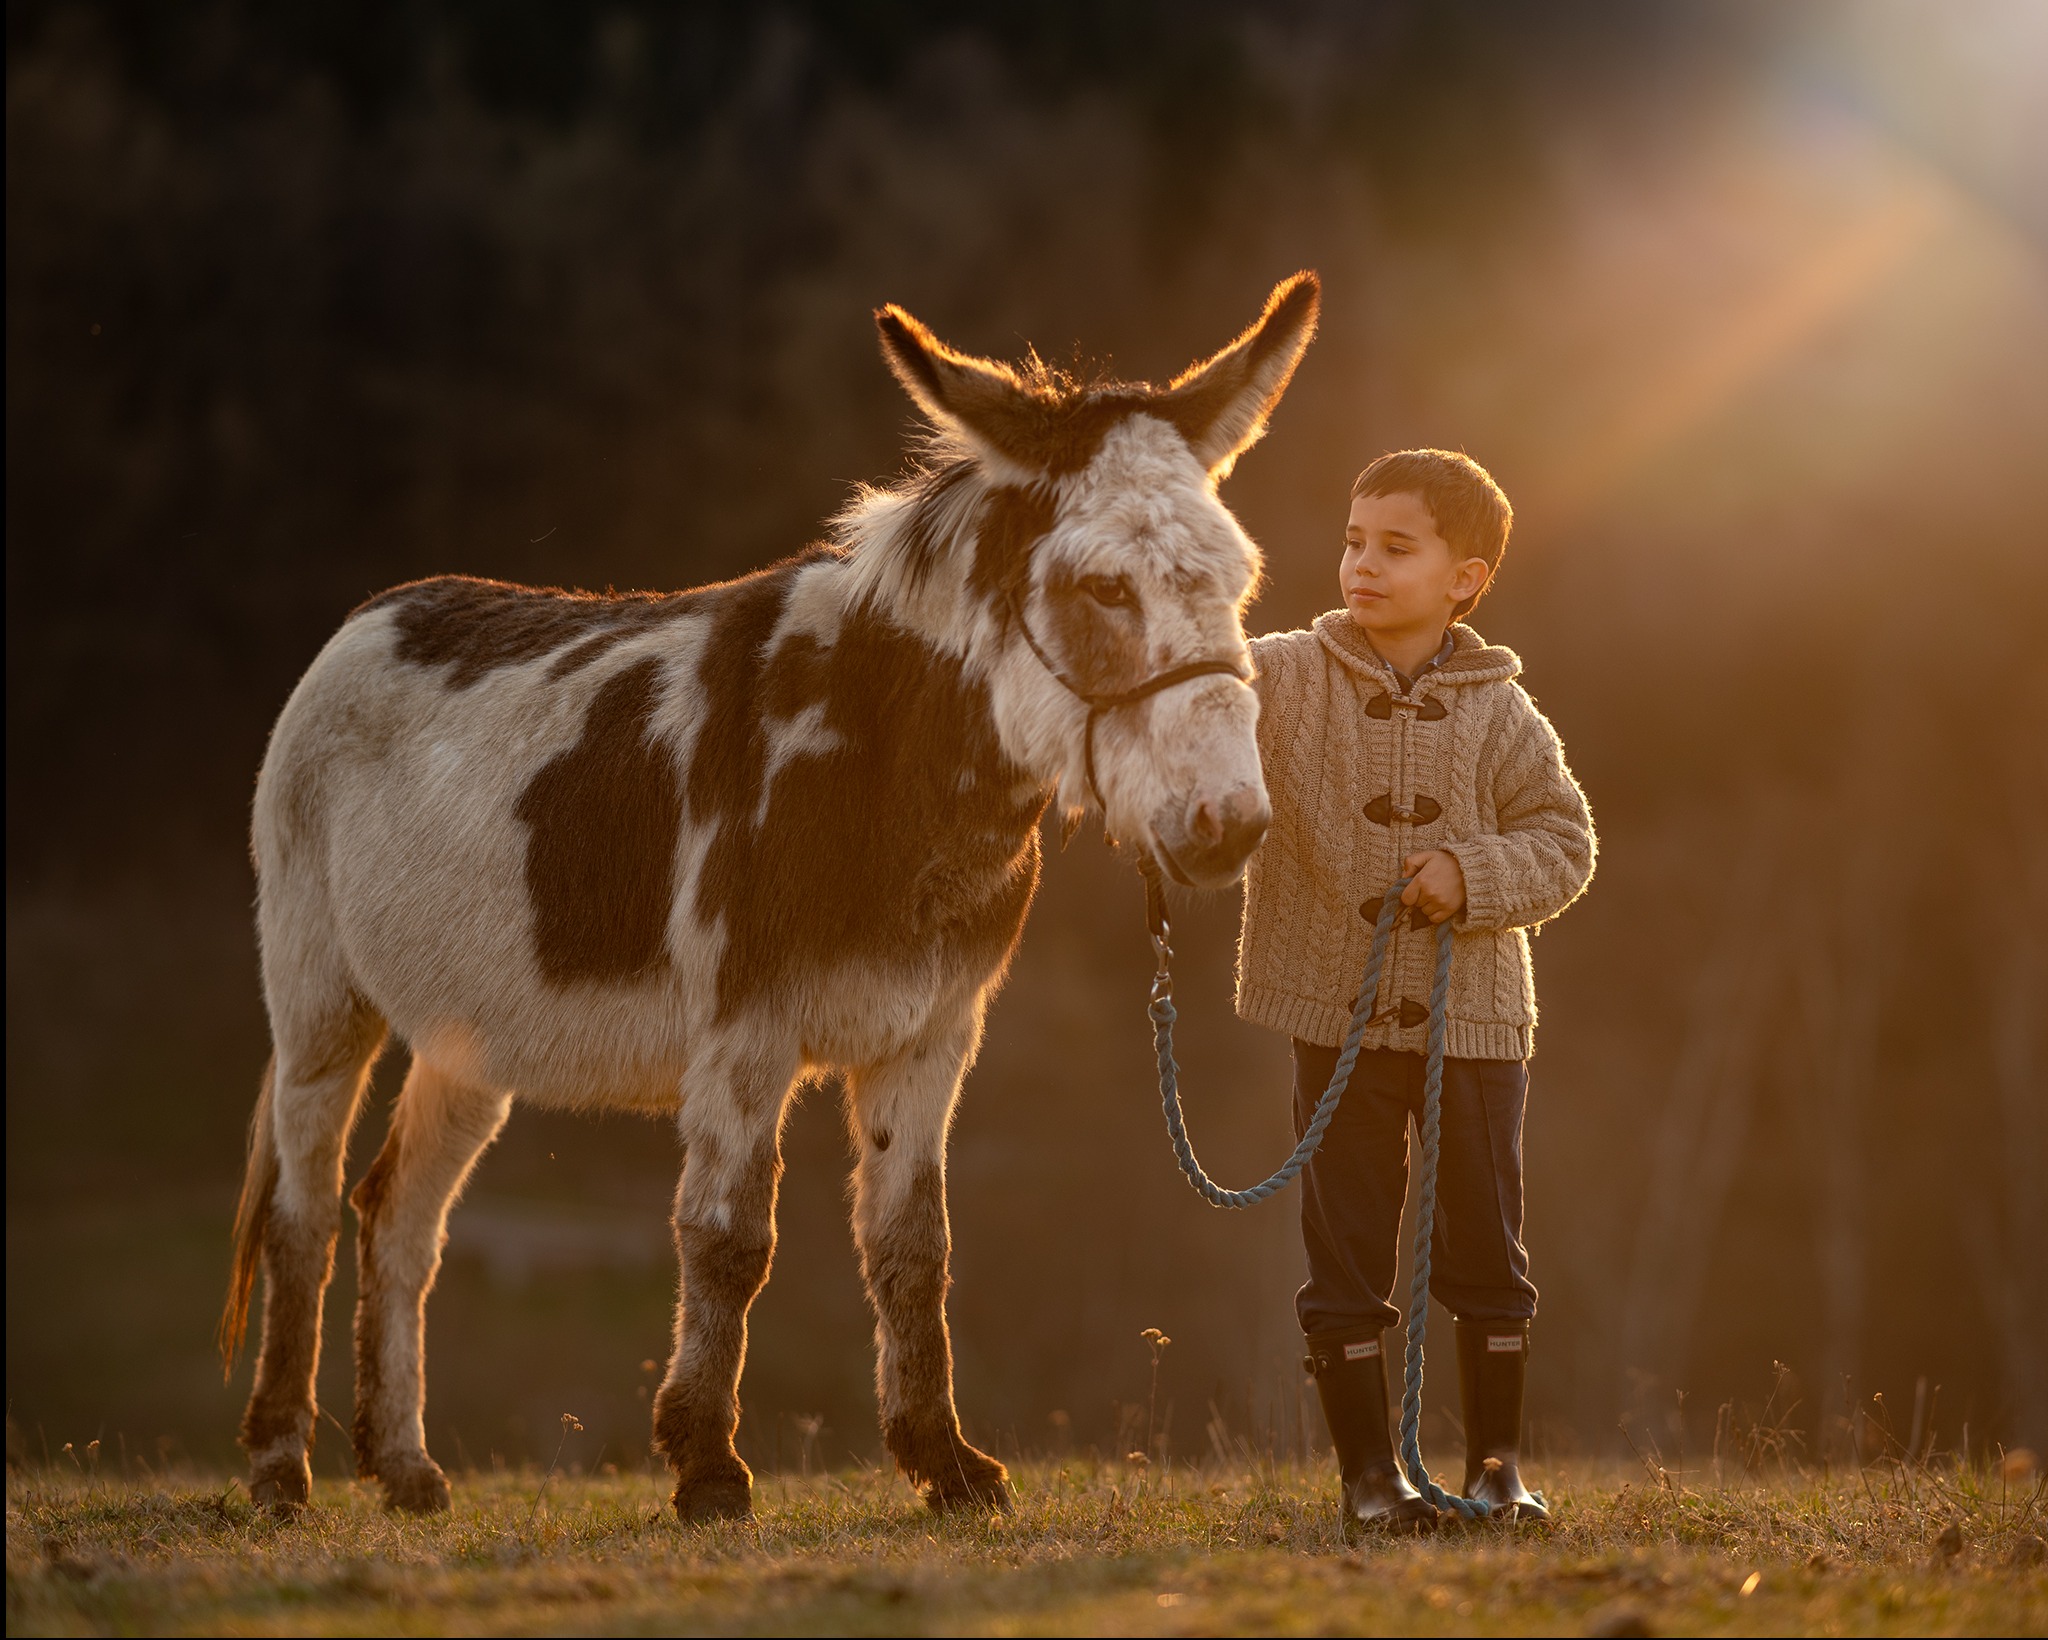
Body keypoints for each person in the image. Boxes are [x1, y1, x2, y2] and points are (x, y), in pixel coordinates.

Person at [1237, 449, 1596, 1534]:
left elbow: (1565, 839)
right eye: (1352, 541)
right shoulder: (1281, 673)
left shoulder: (1503, 712)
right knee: (1341, 1250)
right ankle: (1368, 1481)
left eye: (1395, 548)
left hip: (1474, 1026)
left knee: (1486, 1248)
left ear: (1464, 579)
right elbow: (1191, 695)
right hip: (1330, 1014)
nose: (1362, 564)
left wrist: (1468, 872)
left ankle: (1494, 1470)